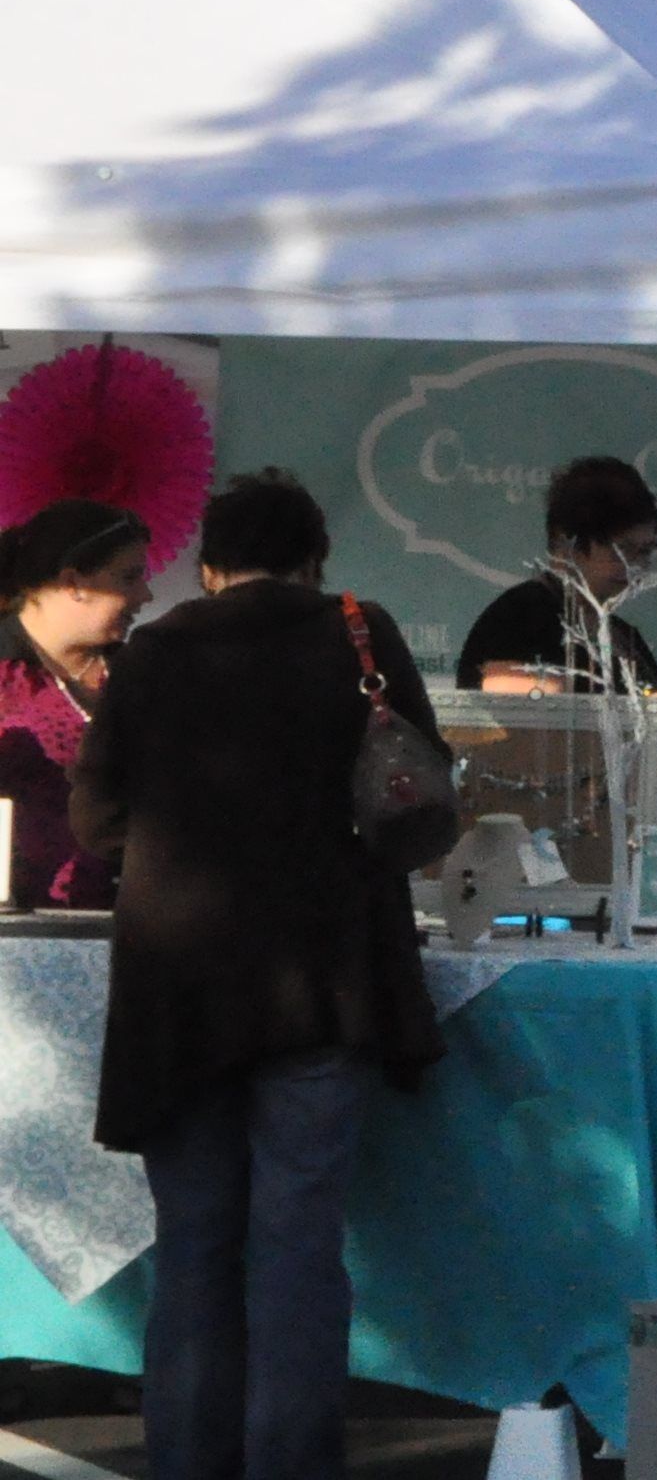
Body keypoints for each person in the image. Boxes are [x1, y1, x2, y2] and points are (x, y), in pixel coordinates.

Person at [72, 470, 448, 1479]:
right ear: (317, 561)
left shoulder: (152, 650)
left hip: (179, 993)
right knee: (298, 1248)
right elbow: (421, 808)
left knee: (193, 1250)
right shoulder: (360, 633)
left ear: (208, 564)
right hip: (320, 986)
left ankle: (186, 1463)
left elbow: (98, 817)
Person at [455, 455, 657, 818]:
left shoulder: (622, 636)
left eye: (646, 552)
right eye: (621, 551)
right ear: (566, 542)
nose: (636, 568)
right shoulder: (521, 615)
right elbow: (519, 738)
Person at [0, 499, 152, 910]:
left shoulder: (140, 674)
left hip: (132, 923)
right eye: (129, 577)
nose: (145, 594)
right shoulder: (5, 674)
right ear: (73, 583)